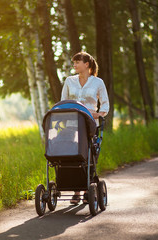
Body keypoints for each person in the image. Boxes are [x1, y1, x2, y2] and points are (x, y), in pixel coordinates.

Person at [61, 51, 109, 204]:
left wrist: (99, 114)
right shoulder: (69, 81)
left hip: (89, 124)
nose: (74, 65)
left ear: (86, 64)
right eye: (73, 62)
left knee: (87, 155)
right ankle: (76, 191)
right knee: (72, 154)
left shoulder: (98, 82)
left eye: (77, 62)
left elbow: (105, 103)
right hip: (71, 125)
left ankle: (88, 189)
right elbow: (63, 101)